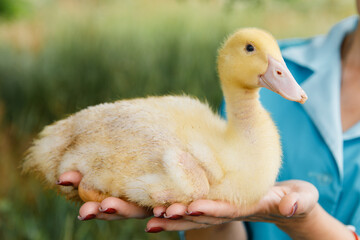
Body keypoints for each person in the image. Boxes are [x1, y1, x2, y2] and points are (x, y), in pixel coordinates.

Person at [57, 2, 360, 239]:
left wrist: (305, 221)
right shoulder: (277, 67)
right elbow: (219, 217)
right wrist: (203, 219)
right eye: (254, 51)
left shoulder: (269, 72)